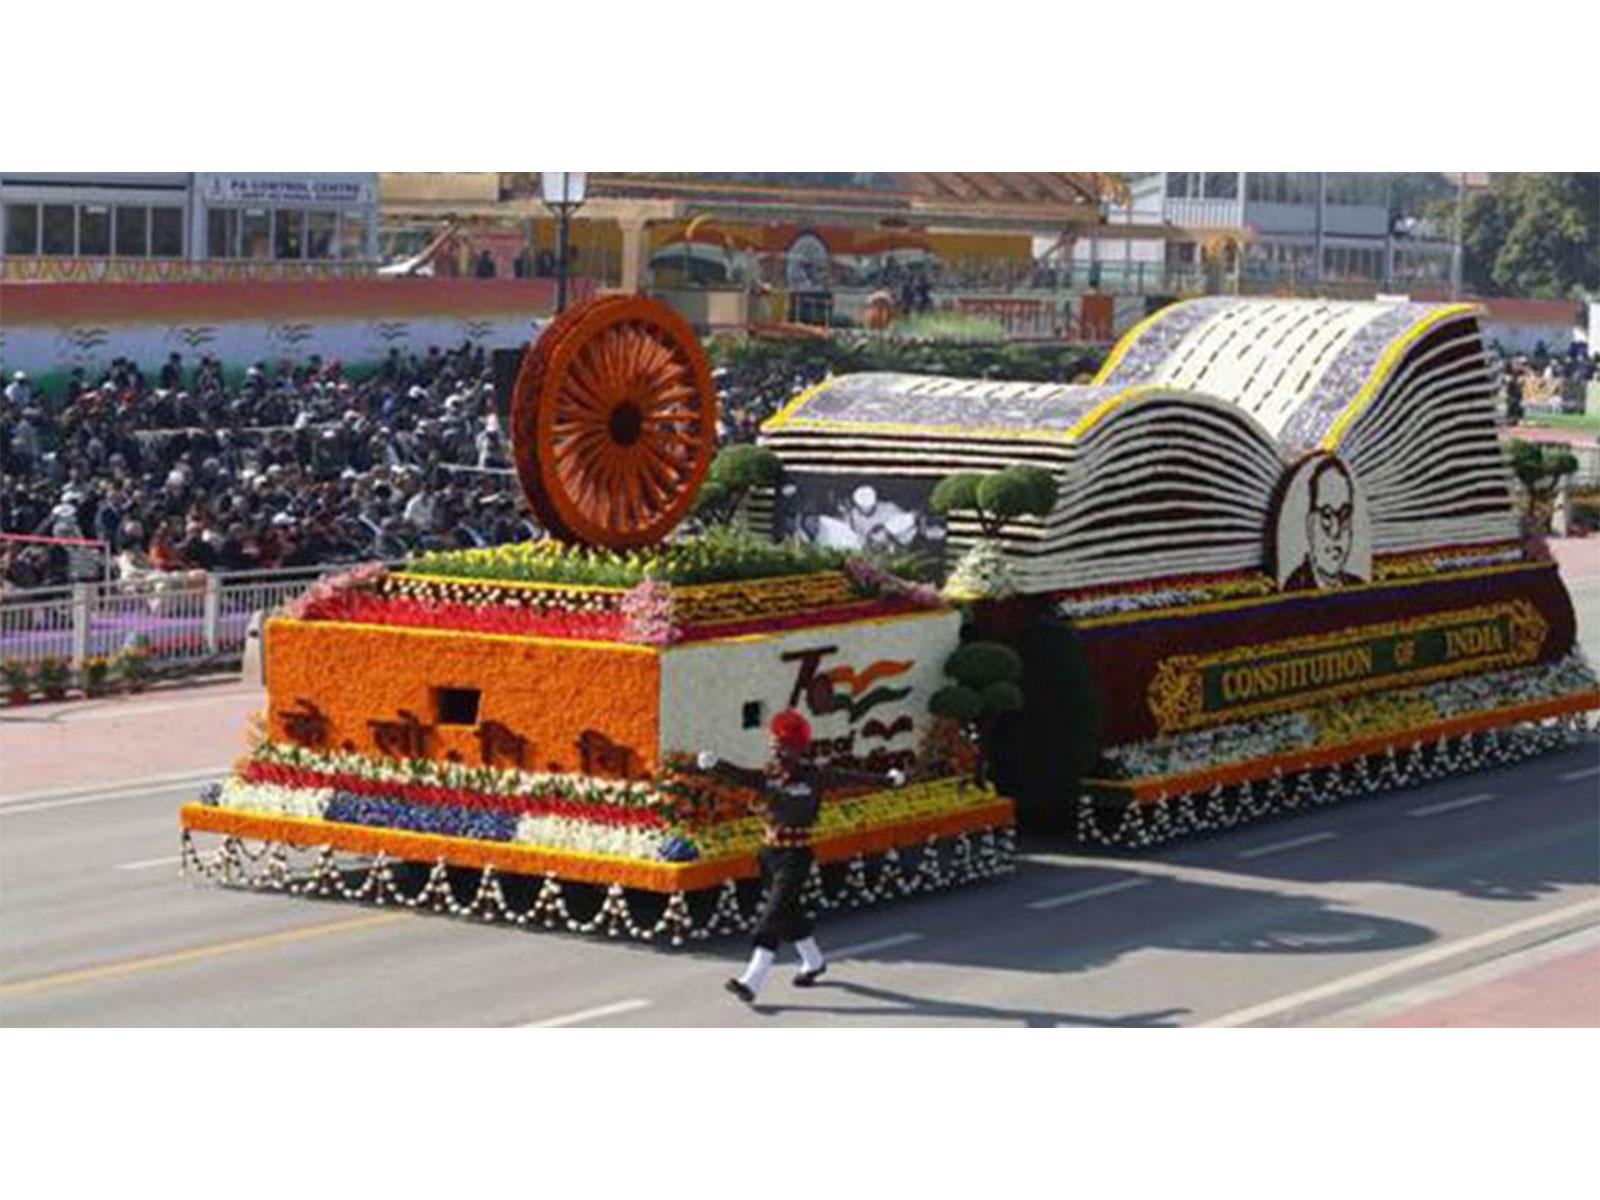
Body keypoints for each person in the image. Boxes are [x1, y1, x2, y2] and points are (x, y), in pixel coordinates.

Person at [695, 709, 906, 1003]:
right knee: (788, 913)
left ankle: (752, 980)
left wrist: (888, 780)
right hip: (769, 853)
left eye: (780, 745)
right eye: (774, 745)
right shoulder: (770, 775)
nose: (774, 749)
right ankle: (814, 962)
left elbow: (853, 779)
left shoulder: (816, 777)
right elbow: (743, 776)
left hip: (796, 856)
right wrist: (716, 764)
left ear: (795, 747)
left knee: (772, 915)